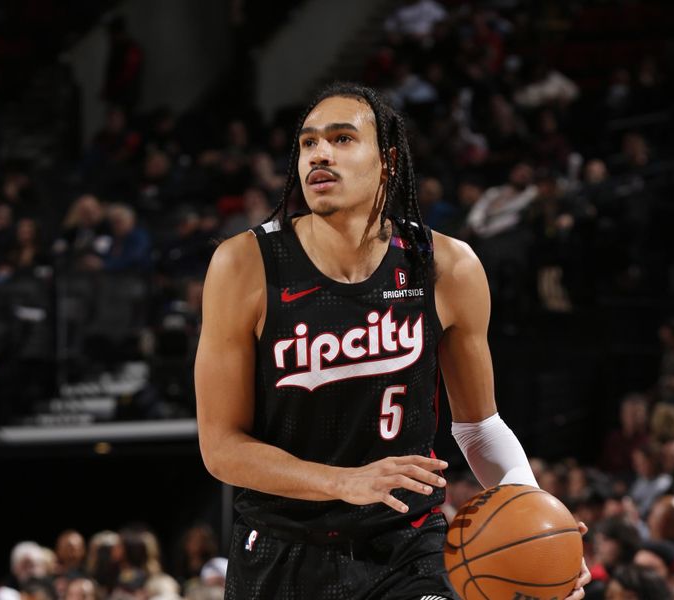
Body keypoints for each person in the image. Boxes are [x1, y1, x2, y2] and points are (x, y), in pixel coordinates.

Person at [195, 82, 590, 599]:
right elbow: (221, 448)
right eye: (308, 142)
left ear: (387, 161)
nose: (319, 153)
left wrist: (539, 525)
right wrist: (344, 481)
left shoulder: (446, 265)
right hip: (281, 546)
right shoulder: (244, 265)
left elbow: (478, 427)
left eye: (341, 138)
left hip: (406, 546)